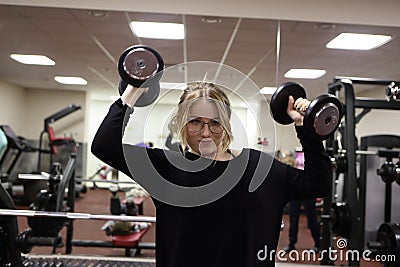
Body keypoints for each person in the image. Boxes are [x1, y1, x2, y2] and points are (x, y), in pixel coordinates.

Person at [91, 81, 331, 267]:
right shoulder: (166, 167)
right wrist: (132, 91)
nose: (206, 132)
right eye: (195, 122)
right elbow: (104, 145)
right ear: (182, 124)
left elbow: (317, 183)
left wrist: (304, 127)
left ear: (226, 123)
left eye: (215, 123)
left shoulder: (259, 168)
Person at [283, 150, 322, 253]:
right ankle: (291, 244)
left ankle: (318, 243)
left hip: (309, 189)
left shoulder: (313, 154)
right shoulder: (297, 154)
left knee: (311, 217)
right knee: (293, 217)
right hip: (296, 189)